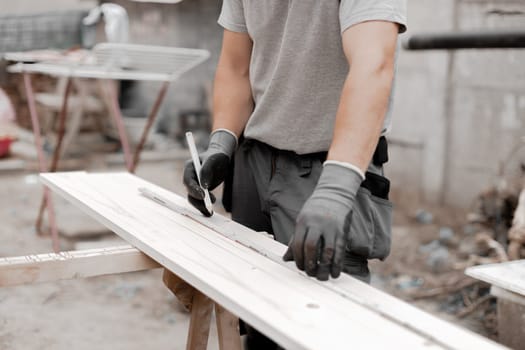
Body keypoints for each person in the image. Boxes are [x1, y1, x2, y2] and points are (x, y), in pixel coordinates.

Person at [183, 1, 407, 348]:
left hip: (326, 172)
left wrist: (336, 189)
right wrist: (221, 143)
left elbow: (372, 66)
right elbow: (235, 66)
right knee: (259, 327)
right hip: (254, 165)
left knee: (327, 328)